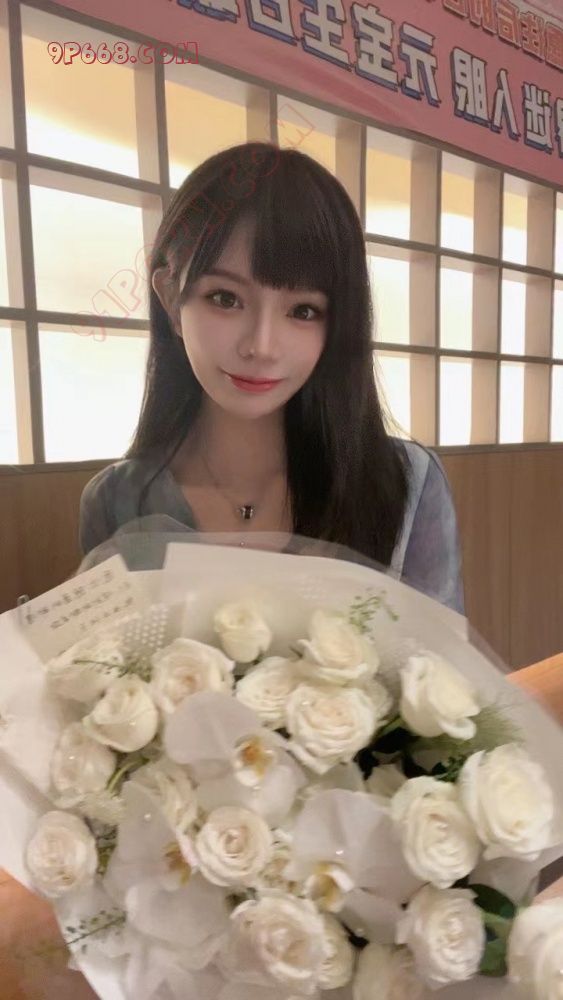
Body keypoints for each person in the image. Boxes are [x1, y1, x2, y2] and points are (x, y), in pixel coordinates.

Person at [79, 141, 464, 613]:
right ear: (171, 299)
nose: (261, 346)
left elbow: (439, 656)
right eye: (225, 298)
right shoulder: (117, 501)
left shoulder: (406, 485)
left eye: (302, 310)